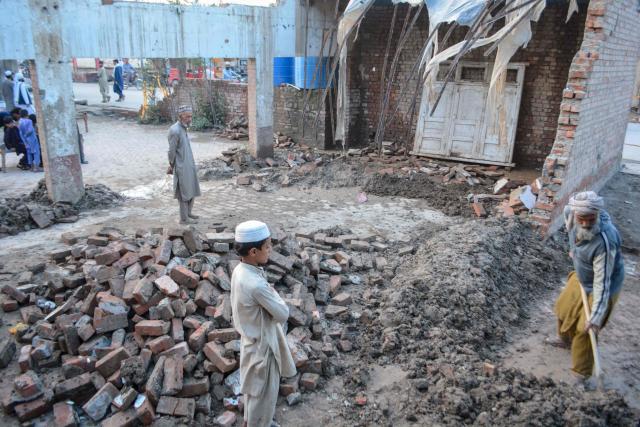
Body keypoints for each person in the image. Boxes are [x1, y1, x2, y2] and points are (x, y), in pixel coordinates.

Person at [551, 191, 625, 381]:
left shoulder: (605, 242)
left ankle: (581, 374)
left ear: (598, 214)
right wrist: (574, 251)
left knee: (585, 329)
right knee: (563, 307)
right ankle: (564, 339)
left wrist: (596, 316)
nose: (584, 223)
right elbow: (570, 231)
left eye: (590, 219)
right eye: (581, 218)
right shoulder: (570, 212)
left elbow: (603, 282)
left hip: (602, 284)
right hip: (582, 272)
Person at [230, 221, 296, 427]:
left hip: (251, 341)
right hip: (263, 347)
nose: (270, 250)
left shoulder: (240, 270)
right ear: (253, 251)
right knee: (264, 393)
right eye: (267, 247)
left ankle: (257, 421)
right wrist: (273, 294)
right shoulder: (257, 284)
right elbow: (283, 313)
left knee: (253, 391)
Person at [167, 105, 200, 224]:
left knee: (192, 188)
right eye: (187, 117)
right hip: (181, 165)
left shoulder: (183, 128)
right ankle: (184, 219)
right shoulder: (174, 130)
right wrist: (171, 165)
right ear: (181, 117)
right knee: (183, 192)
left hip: (189, 164)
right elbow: (171, 151)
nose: (190, 119)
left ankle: (189, 213)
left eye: (191, 116)